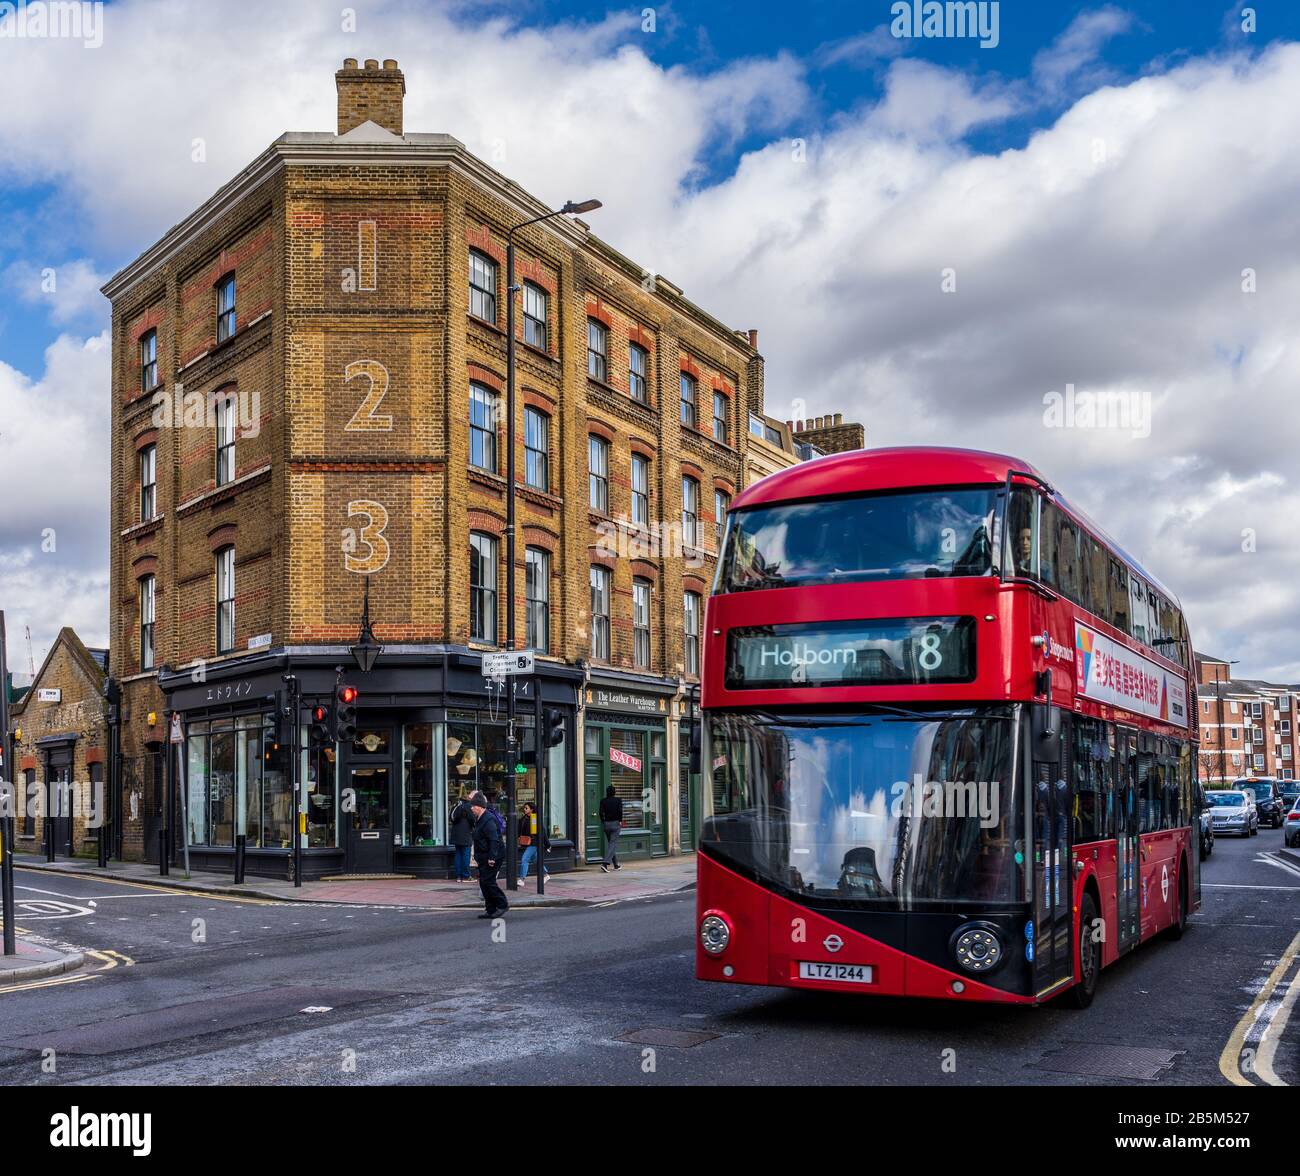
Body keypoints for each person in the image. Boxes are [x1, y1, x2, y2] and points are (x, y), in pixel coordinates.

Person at [469, 790, 507, 918]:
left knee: (488, 881)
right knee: (483, 882)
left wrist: (492, 857)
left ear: (479, 807)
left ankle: (502, 905)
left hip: (493, 856)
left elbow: (494, 839)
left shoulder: (488, 819)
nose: (471, 808)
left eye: (473, 806)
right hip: (483, 856)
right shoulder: (479, 819)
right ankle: (490, 909)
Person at [518, 801, 550, 882]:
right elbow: (520, 831)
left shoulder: (534, 819)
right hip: (526, 843)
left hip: (534, 843)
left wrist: (547, 845)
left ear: (531, 809)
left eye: (526, 808)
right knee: (536, 860)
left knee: (524, 859)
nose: (524, 809)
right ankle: (545, 875)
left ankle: (521, 879)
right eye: (524, 808)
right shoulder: (523, 819)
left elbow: (543, 832)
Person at [449, 795, 475, 882]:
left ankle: (458, 876)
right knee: (466, 854)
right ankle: (466, 876)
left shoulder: (456, 806)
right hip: (465, 833)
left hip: (456, 833)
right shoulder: (469, 806)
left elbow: (451, 818)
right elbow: (472, 819)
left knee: (458, 854)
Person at [599, 785, 623, 873]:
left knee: (611, 844)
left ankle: (616, 865)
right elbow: (620, 811)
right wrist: (620, 821)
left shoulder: (603, 801)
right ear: (614, 792)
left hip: (606, 824)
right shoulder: (618, 800)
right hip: (615, 824)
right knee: (612, 844)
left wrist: (603, 822)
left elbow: (600, 813)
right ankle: (605, 863)